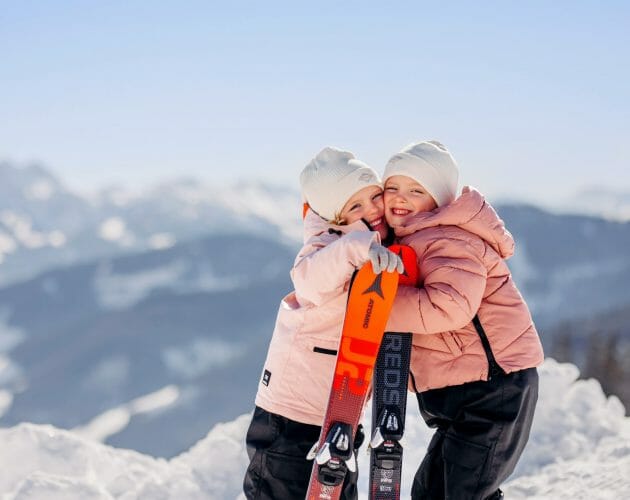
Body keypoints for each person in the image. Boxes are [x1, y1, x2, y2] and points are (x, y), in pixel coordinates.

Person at [382, 140, 544, 500]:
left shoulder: (449, 239)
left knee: (464, 493)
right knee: (431, 492)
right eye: (392, 187)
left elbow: (449, 306)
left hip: (494, 389)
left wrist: (381, 309)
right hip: (461, 395)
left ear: (438, 198)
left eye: (415, 189)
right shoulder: (411, 240)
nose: (400, 197)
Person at [243, 146, 403, 500]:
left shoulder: (377, 251)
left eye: (374, 197)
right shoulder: (323, 248)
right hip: (290, 419)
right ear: (336, 218)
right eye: (355, 207)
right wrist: (356, 248)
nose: (372, 210)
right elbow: (309, 280)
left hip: (339, 418)